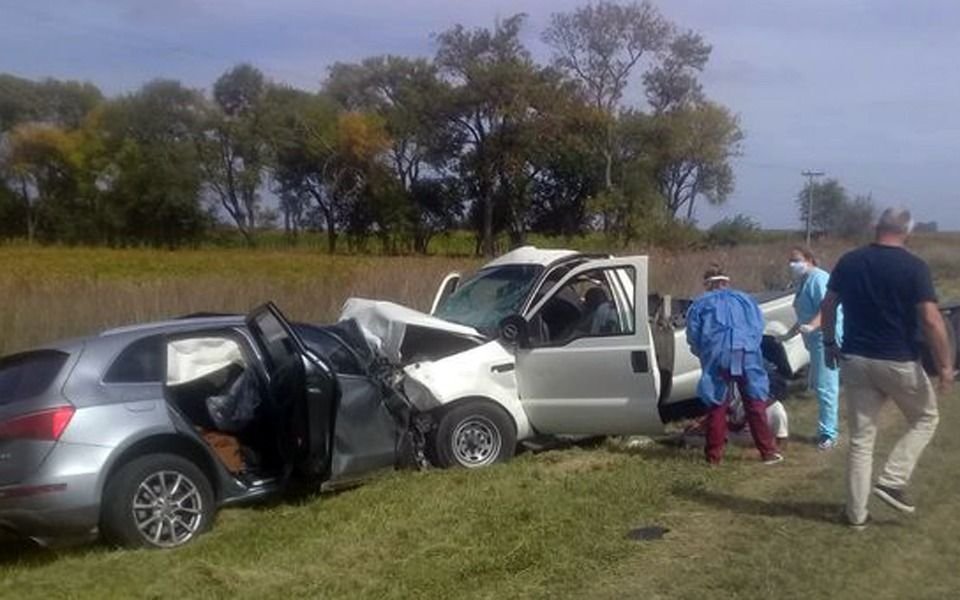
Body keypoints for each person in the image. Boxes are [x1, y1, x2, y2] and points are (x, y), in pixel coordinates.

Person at [821, 208, 954, 529]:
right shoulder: (914, 267)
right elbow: (932, 320)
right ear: (907, 232)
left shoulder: (850, 261)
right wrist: (946, 366)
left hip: (855, 359)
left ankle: (856, 516)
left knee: (861, 440)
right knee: (925, 417)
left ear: (876, 226)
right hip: (898, 360)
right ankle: (892, 479)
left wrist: (828, 344)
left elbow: (828, 304)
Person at [686, 263, 783, 465]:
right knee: (755, 402)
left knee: (716, 404)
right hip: (746, 353)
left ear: (706, 283)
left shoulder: (700, 304)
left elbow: (694, 335)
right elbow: (758, 327)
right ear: (726, 281)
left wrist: (702, 351)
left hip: (718, 355)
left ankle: (714, 457)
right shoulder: (745, 300)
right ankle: (768, 452)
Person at [783, 247, 843, 450]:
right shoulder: (803, 282)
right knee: (820, 385)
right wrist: (790, 333)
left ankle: (829, 434)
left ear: (809, 259)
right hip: (815, 339)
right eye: (790, 260)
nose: (792, 264)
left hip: (826, 338)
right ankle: (827, 430)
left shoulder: (819, 278)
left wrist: (812, 326)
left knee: (827, 386)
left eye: (796, 260)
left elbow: (826, 307)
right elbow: (803, 313)